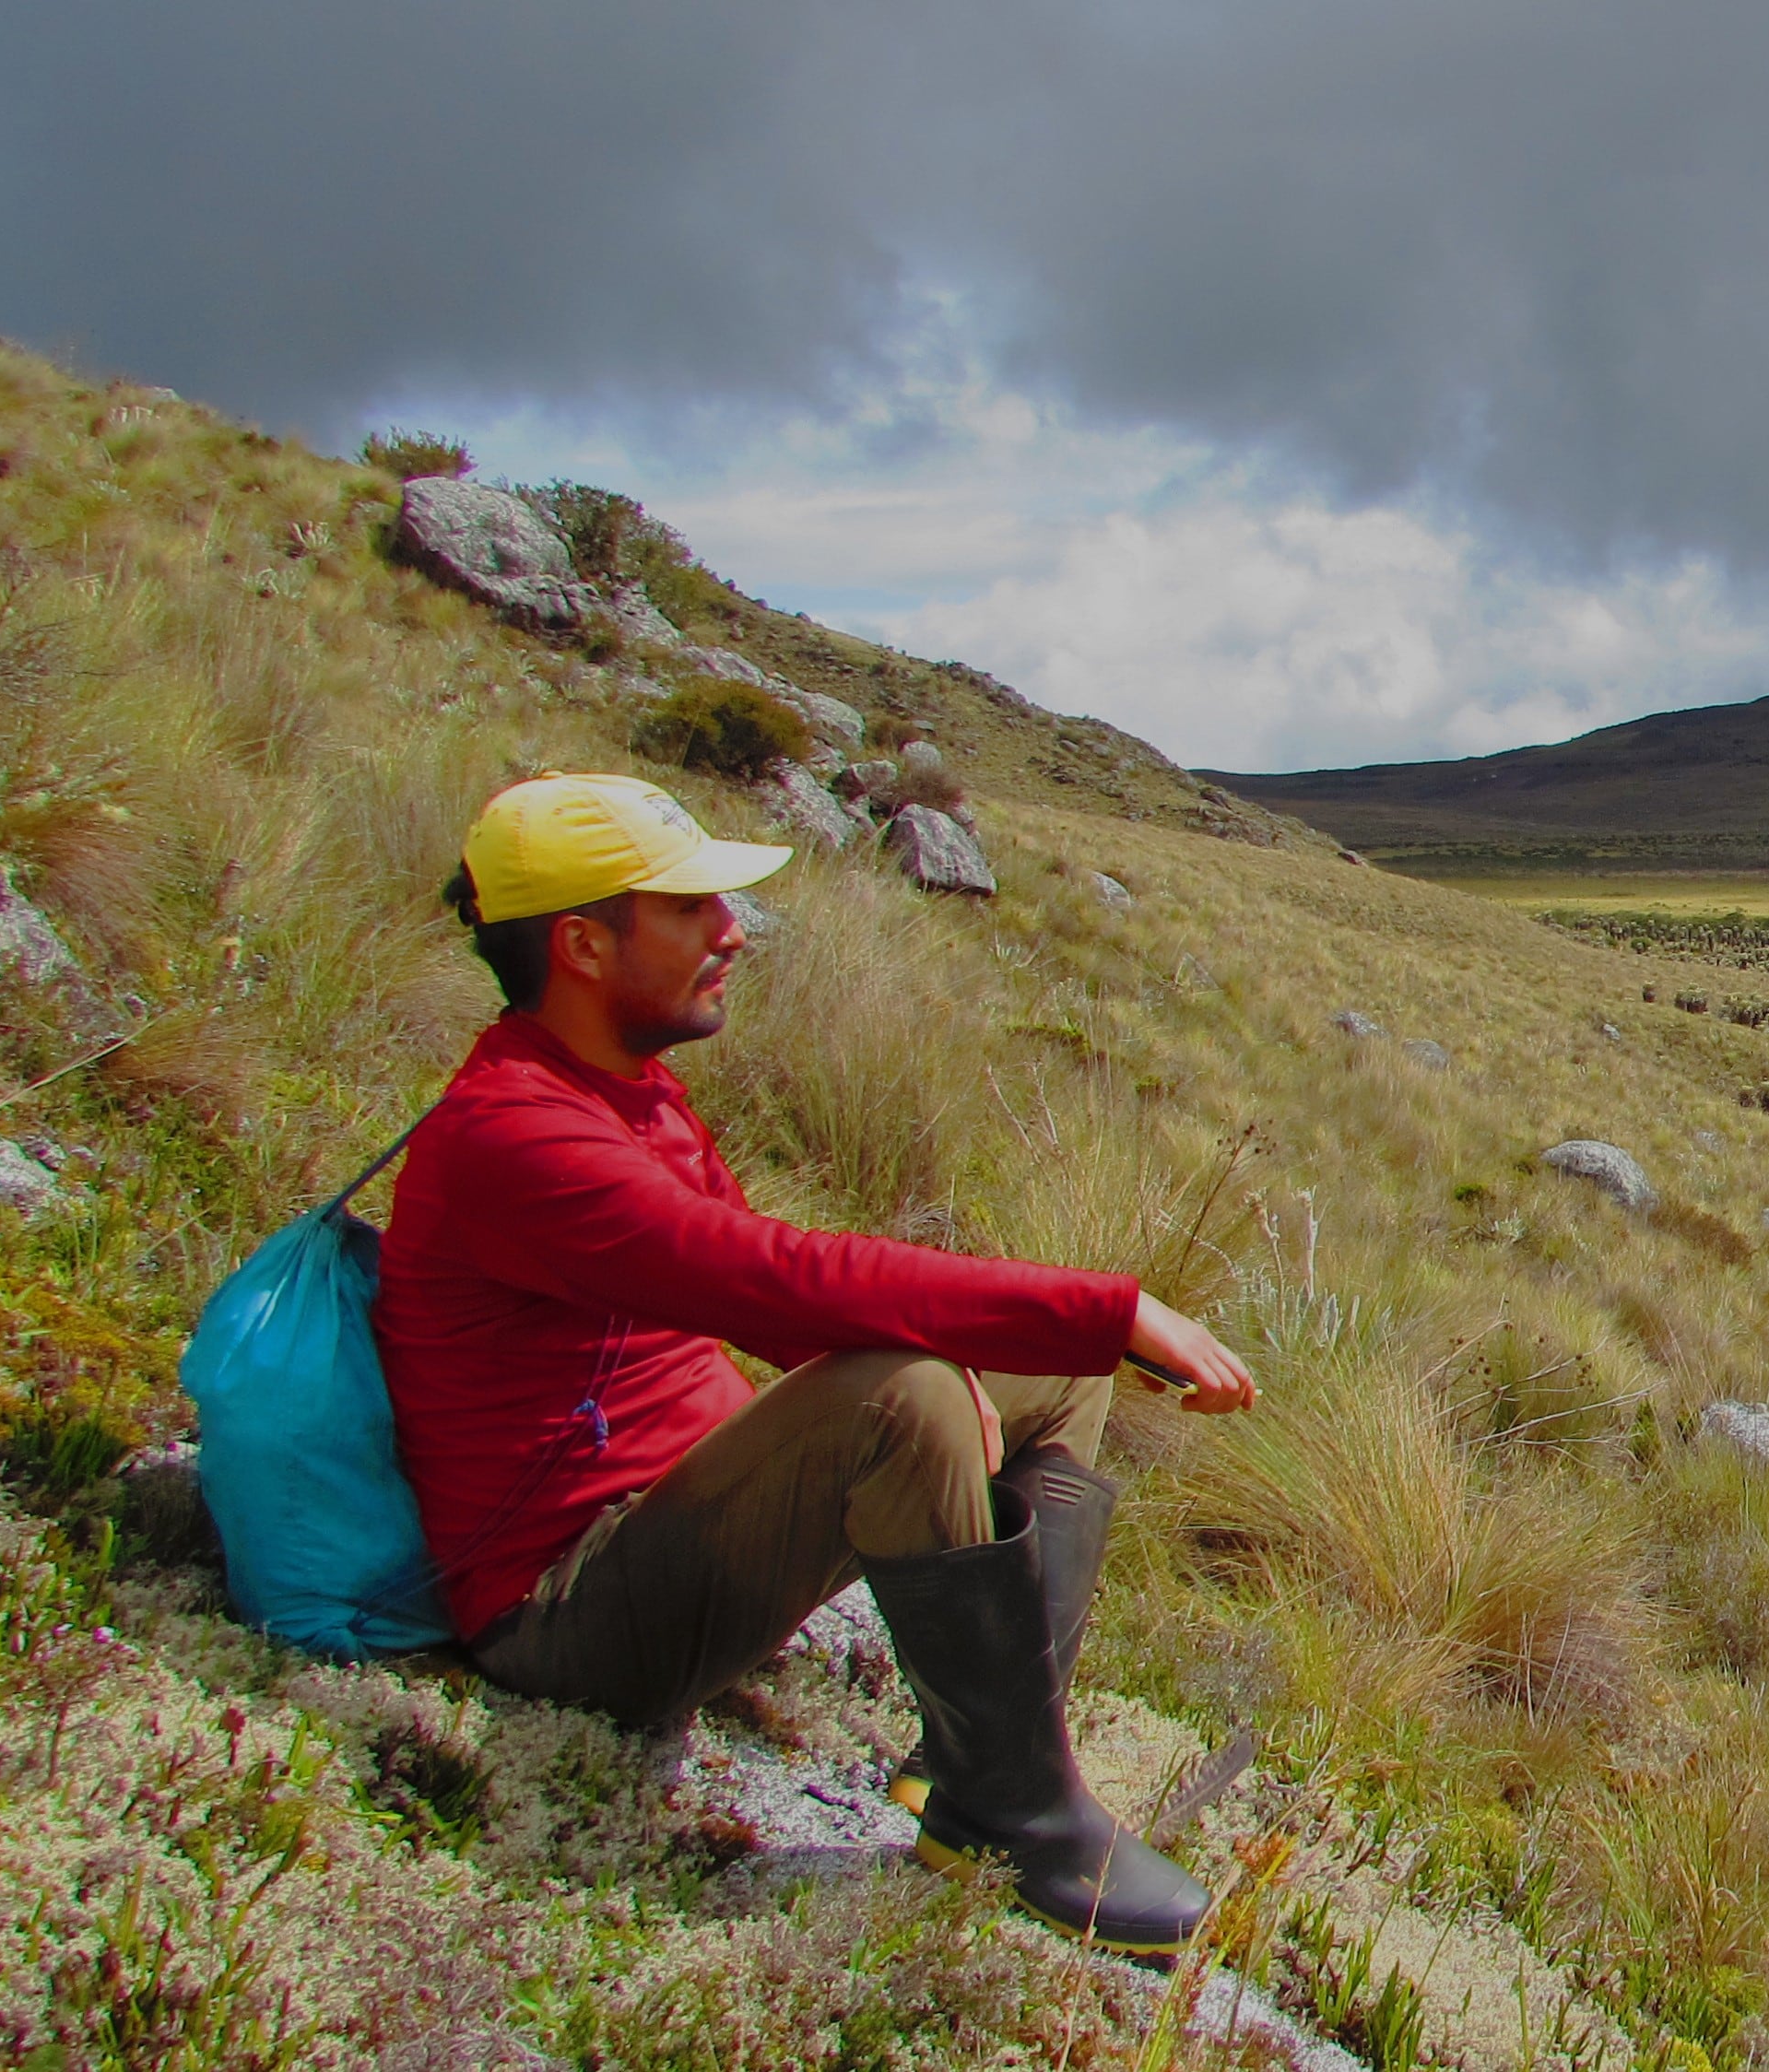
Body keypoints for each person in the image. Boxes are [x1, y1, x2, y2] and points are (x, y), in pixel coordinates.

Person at [372, 771, 1258, 1956]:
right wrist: (1101, 1307)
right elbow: (772, 1280)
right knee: (913, 1392)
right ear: (582, 943)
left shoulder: (628, 1095)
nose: (731, 931)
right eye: (691, 909)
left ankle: (978, 1748)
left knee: (1055, 1371)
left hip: (674, 1527)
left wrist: (1031, 1350)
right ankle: (1015, 1820)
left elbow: (780, 1315)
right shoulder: (517, 1137)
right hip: (567, 1616)